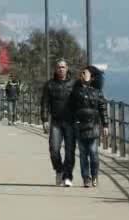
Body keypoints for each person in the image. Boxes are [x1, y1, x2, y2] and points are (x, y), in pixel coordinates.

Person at [40, 58, 77, 187]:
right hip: (56, 122)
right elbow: (44, 103)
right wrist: (44, 119)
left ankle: (68, 176)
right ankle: (59, 170)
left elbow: (80, 101)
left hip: (70, 122)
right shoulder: (50, 85)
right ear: (56, 69)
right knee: (54, 149)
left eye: (63, 67)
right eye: (59, 67)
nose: (61, 69)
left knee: (70, 151)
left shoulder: (74, 84)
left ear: (67, 68)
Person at [71, 65, 109, 187]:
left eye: (85, 73)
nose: (82, 74)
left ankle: (95, 176)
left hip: (93, 126)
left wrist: (105, 125)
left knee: (93, 153)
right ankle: (86, 178)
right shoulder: (75, 91)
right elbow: (70, 109)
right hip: (79, 125)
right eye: (81, 73)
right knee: (83, 154)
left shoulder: (97, 92)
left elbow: (103, 108)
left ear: (91, 77)